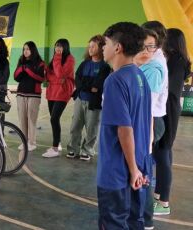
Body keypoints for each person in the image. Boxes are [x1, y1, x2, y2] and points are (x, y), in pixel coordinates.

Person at [97, 22, 151, 229]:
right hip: (139, 165)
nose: (103, 47)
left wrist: (132, 169)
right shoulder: (140, 76)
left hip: (117, 172)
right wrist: (139, 168)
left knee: (113, 223)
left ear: (118, 47)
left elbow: (124, 129)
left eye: (106, 43)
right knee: (134, 221)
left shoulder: (115, 80)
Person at [153, 28, 191, 216]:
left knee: (163, 153)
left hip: (168, 110)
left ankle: (164, 202)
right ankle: (159, 193)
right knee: (163, 154)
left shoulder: (177, 61)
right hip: (167, 108)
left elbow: (170, 91)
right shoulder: (175, 60)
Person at [134, 28, 166, 230]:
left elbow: (148, 108)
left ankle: (146, 220)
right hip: (142, 125)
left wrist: (146, 142)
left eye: (151, 46)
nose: (146, 50)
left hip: (148, 125)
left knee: (143, 174)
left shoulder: (152, 69)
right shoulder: (141, 65)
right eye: (142, 45)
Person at [65, 35, 111, 161]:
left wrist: (88, 85)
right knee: (75, 125)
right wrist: (89, 86)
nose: (90, 49)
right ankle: (73, 149)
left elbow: (99, 84)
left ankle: (87, 150)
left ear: (101, 48)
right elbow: (78, 80)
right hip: (80, 99)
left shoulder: (105, 66)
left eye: (93, 46)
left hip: (94, 102)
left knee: (92, 127)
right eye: (89, 46)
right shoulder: (84, 64)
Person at [41, 39, 75, 158]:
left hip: (63, 92)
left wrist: (58, 57)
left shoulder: (69, 59)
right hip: (52, 92)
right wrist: (55, 77)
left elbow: (60, 74)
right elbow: (49, 76)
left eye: (60, 46)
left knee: (54, 118)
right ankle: (58, 143)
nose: (57, 48)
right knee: (54, 119)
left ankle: (55, 148)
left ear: (65, 47)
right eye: (56, 46)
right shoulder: (56, 58)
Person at [14, 41, 45, 151]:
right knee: (22, 118)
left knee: (31, 119)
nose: (25, 51)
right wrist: (21, 69)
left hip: (34, 95)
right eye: (24, 49)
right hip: (21, 93)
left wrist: (27, 70)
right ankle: (24, 141)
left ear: (32, 50)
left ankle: (32, 142)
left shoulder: (40, 63)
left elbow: (41, 78)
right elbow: (16, 77)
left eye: (27, 49)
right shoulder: (21, 61)